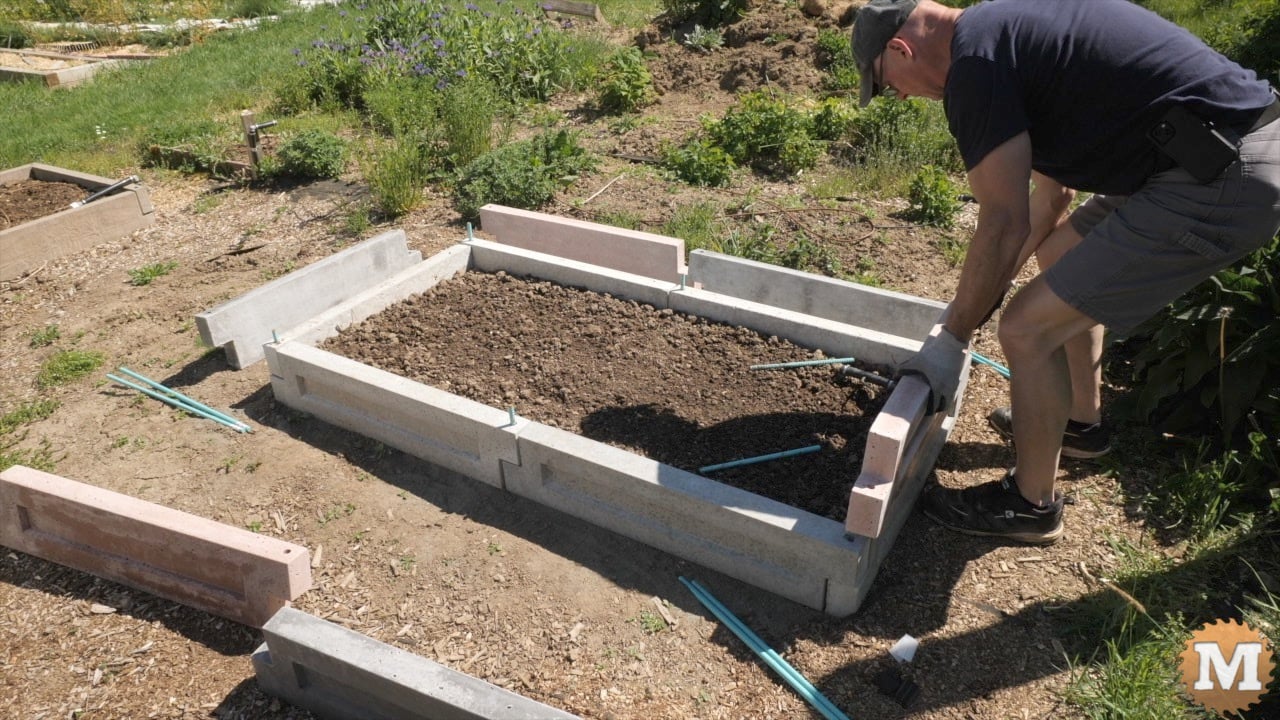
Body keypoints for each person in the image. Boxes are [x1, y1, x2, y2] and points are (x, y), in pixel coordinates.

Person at [851, 0, 1280, 544]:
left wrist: (952, 337)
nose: (905, 97)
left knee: (1026, 329)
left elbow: (1003, 222)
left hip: (1219, 175)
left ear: (900, 48)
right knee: (1060, 261)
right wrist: (989, 289)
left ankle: (1030, 506)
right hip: (1204, 153)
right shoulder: (1007, 32)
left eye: (891, 85)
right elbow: (1051, 200)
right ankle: (1081, 423)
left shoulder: (976, 64)